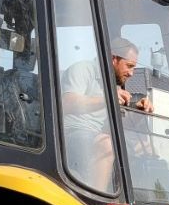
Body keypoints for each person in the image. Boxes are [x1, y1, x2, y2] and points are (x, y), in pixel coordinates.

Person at [60, 37, 152, 191]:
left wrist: (138, 111)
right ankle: (97, 201)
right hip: (70, 134)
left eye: (134, 67)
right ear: (113, 59)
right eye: (129, 66)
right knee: (106, 144)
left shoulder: (112, 84)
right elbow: (67, 103)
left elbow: (117, 124)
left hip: (95, 134)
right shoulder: (83, 69)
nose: (131, 73)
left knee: (143, 148)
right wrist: (108, 99)